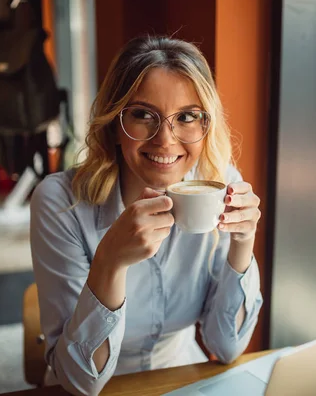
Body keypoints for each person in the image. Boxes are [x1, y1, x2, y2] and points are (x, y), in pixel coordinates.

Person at [30, 36, 263, 396]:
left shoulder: (220, 185)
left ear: (206, 125)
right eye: (142, 115)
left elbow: (227, 346)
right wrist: (109, 262)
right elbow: (80, 381)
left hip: (182, 381)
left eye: (186, 117)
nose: (165, 141)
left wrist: (243, 244)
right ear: (113, 123)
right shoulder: (60, 203)